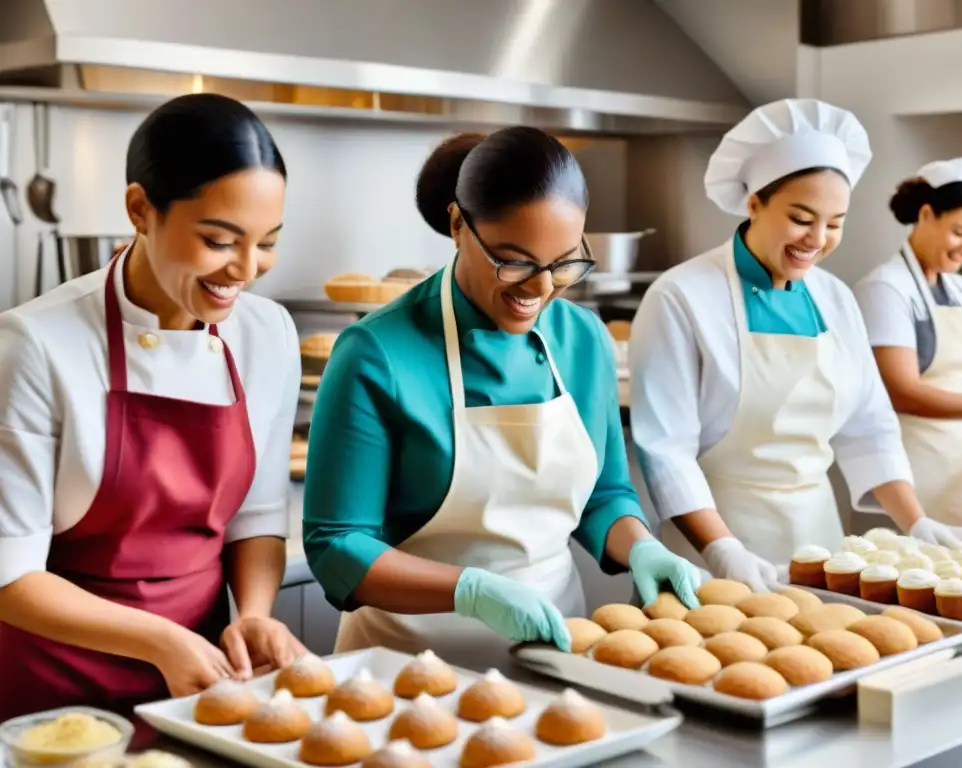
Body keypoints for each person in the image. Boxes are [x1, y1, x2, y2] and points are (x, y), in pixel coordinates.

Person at [303, 128, 700, 668]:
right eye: (514, 261)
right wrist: (470, 590)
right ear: (457, 225)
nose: (540, 289)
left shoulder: (583, 339)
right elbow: (337, 545)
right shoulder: (376, 352)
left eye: (563, 263)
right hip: (404, 665)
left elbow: (603, 493)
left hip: (551, 654)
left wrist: (640, 547)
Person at [0, 93, 304, 721]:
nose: (246, 270)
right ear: (141, 209)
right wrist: (160, 639)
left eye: (266, 242)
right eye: (220, 240)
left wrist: (252, 616)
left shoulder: (268, 333)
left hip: (207, 683)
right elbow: (9, 576)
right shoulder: (34, 345)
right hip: (55, 692)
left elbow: (259, 517)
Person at [629, 99, 962, 593]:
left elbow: (870, 428)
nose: (817, 240)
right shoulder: (682, 295)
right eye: (801, 217)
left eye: (835, 222)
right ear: (754, 201)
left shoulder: (835, 298)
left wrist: (916, 522)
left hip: (820, 549)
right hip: (710, 553)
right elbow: (666, 450)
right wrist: (722, 549)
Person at [855, 157, 962, 526]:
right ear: (927, 214)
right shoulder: (885, 289)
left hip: (957, 472)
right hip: (908, 477)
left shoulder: (960, 286)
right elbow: (904, 392)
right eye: (960, 232)